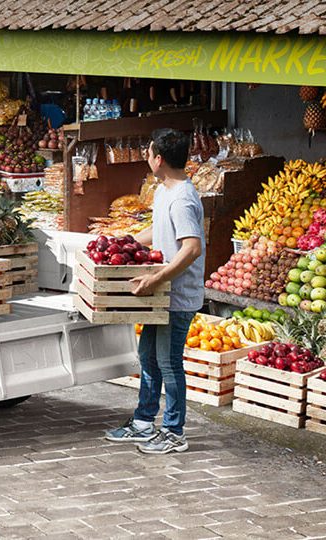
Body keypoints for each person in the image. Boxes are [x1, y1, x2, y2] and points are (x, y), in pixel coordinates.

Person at [104, 128, 204, 454]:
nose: (146, 157)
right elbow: (157, 229)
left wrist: (158, 278)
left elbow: (191, 249)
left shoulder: (183, 198)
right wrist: (125, 241)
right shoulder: (163, 191)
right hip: (161, 295)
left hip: (177, 296)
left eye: (148, 152)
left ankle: (174, 432)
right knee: (148, 355)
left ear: (158, 159)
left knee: (169, 362)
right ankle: (144, 422)